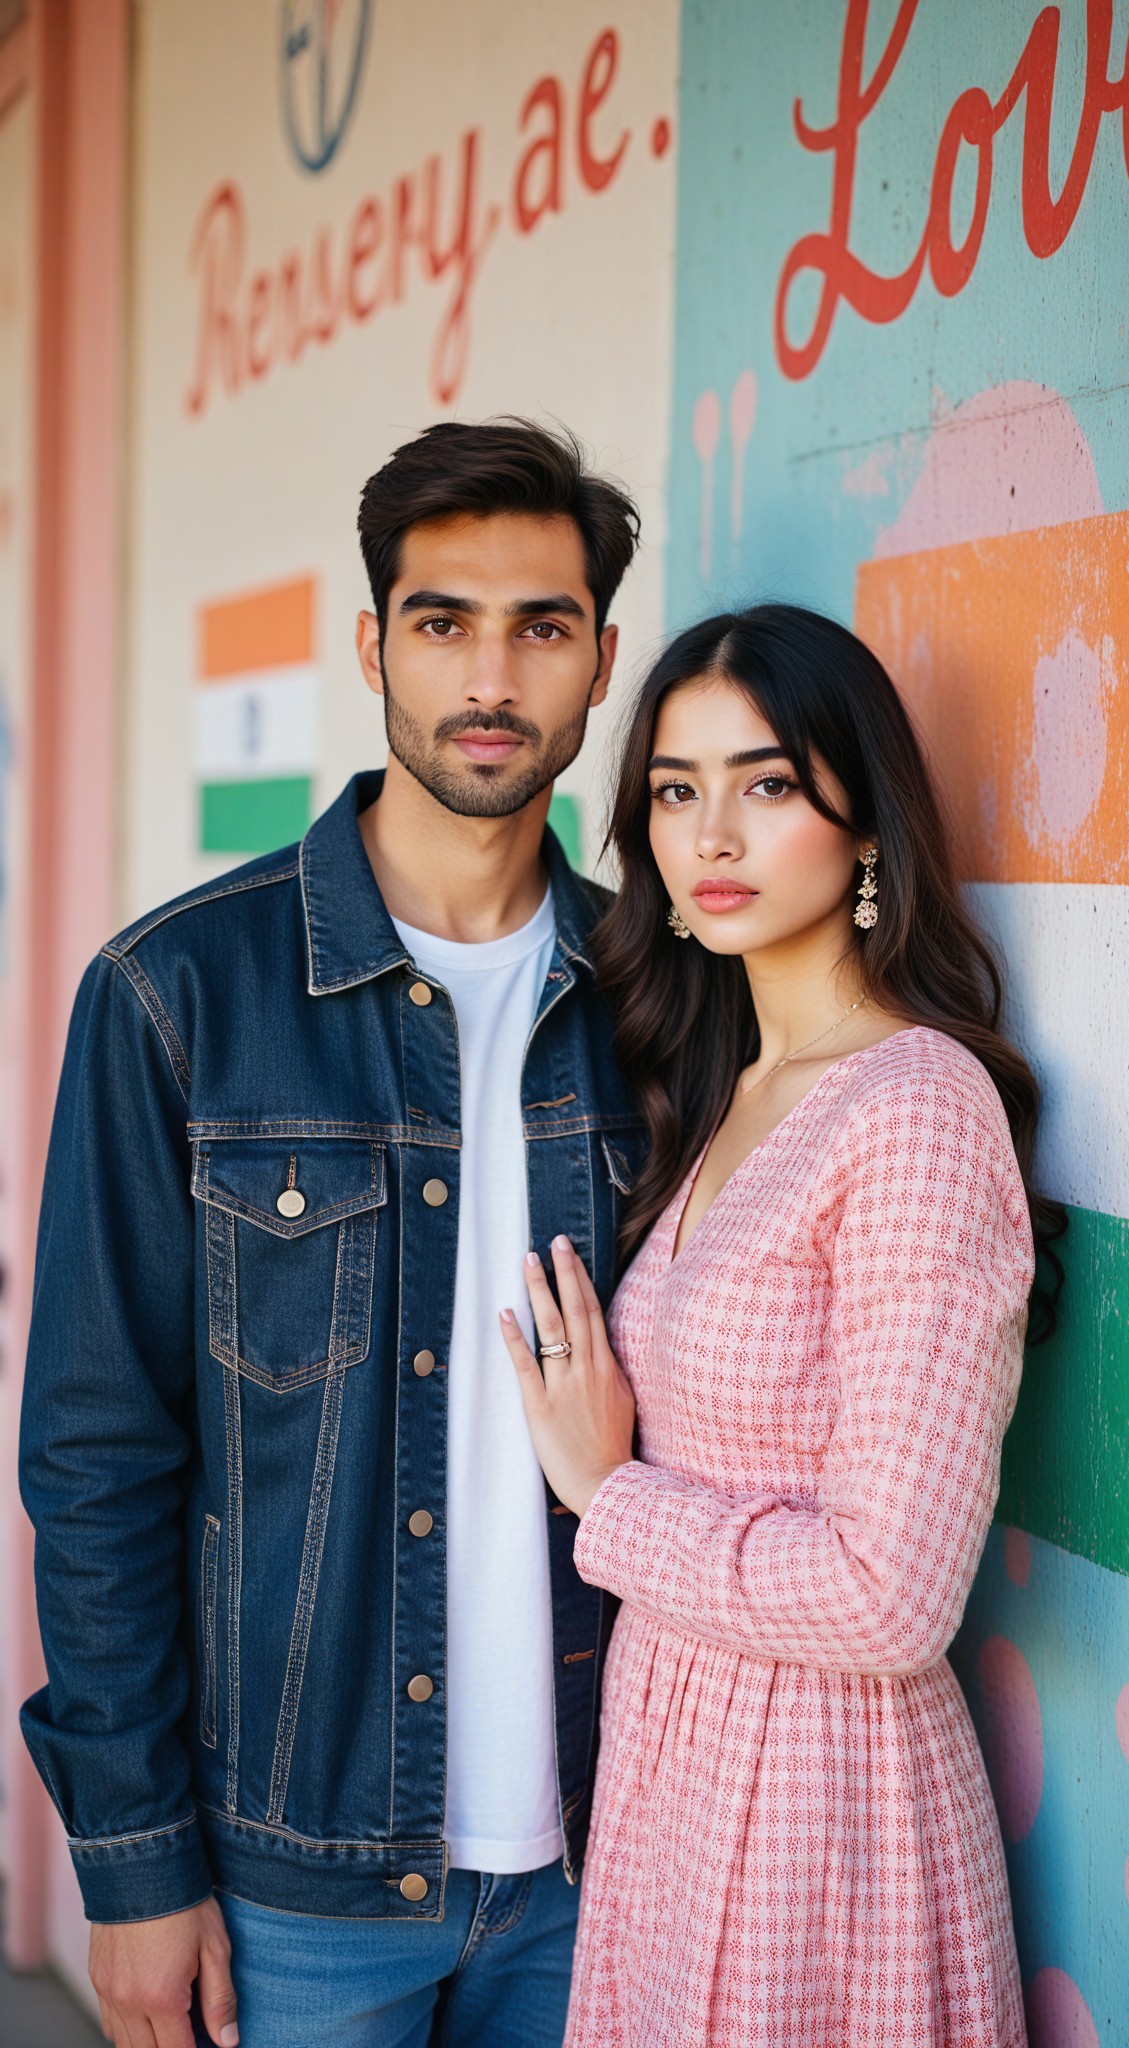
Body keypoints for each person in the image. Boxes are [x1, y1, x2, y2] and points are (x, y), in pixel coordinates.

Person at [19, 419, 649, 2048]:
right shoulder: (179, 996)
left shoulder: (662, 1010)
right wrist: (133, 1862)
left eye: (544, 626)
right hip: (292, 1888)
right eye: (443, 623)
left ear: (600, 662)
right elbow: (97, 1454)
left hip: (607, 1868)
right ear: (373, 646)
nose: (491, 675)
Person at [500, 603, 1065, 2048]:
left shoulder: (916, 1107)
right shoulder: (729, 1090)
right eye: (677, 793)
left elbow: (893, 1595)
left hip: (823, 1807)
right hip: (670, 1772)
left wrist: (607, 1496)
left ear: (864, 819)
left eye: (764, 784)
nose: (713, 836)